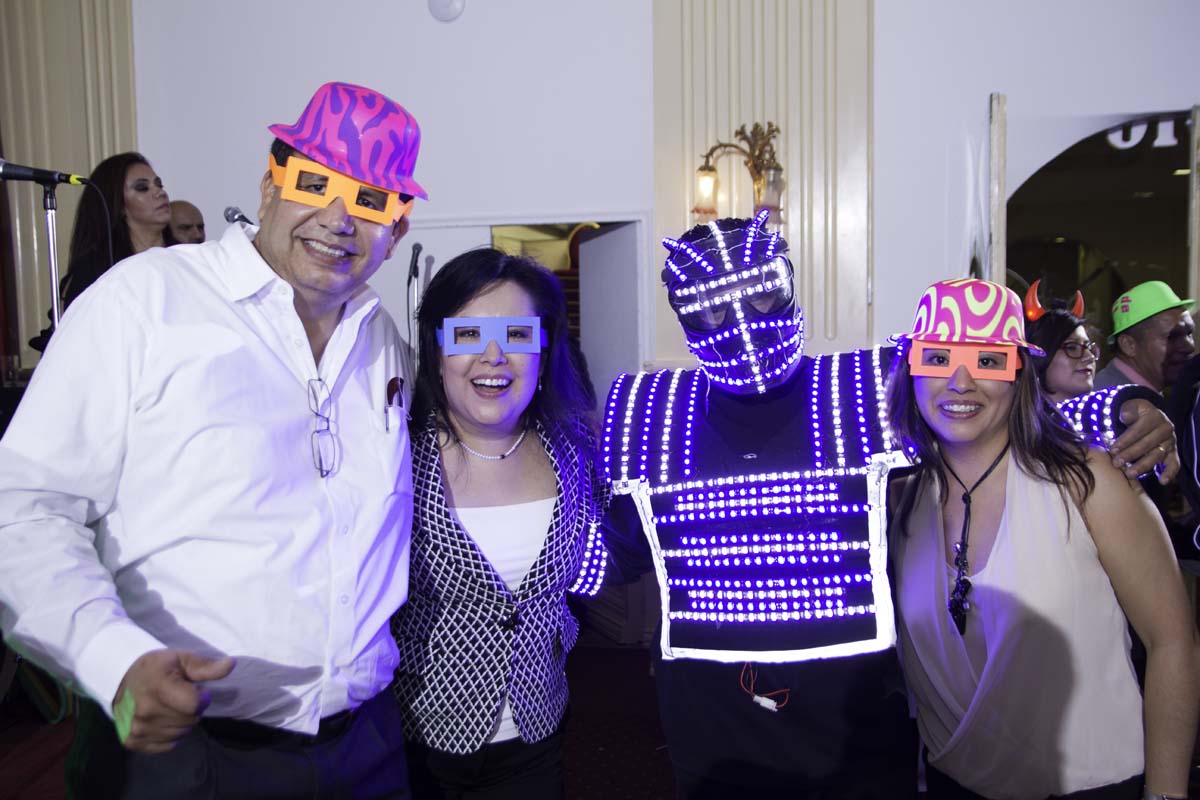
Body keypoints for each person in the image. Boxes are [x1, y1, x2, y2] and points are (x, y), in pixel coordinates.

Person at [599, 214, 1178, 798]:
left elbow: (994, 412)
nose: (742, 326)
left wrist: (1123, 407)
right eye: (712, 310)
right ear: (683, 314)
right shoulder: (651, 410)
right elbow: (613, 554)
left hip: (854, 729)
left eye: (761, 296)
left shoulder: (859, 388)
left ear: (788, 282)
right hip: (714, 722)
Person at [0, 80, 427, 798]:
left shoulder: (381, 340)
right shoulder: (143, 302)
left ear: (398, 230)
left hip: (367, 747)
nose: (337, 219)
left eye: (370, 201)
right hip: (179, 753)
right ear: (269, 186)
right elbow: (24, 509)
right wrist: (112, 658)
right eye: (314, 184)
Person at [886, 277, 1200, 799]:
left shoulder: (1090, 482)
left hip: (1091, 787)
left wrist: (1165, 793)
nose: (960, 382)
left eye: (988, 361)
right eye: (937, 358)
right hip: (948, 783)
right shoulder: (899, 499)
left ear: (1018, 375)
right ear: (912, 371)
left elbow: (1173, 642)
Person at [392, 248, 608, 799]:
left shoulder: (576, 454)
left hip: (537, 735)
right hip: (418, 739)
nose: (493, 356)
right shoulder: (394, 460)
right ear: (438, 350)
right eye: (468, 335)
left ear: (543, 349)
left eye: (516, 335)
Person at [28, 152, 178, 351]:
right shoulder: (95, 271)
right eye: (143, 187)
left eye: (159, 184)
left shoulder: (183, 257)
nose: (159, 192)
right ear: (119, 205)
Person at [1094, 280, 1195, 393]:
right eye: (1171, 337)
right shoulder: (1116, 399)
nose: (1189, 347)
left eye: (1189, 333)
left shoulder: (1132, 391)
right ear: (1128, 345)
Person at [1023, 280, 1099, 403]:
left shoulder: (1108, 411)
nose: (1090, 357)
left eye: (1089, 347)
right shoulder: (1017, 415)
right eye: (1072, 347)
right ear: (1039, 356)